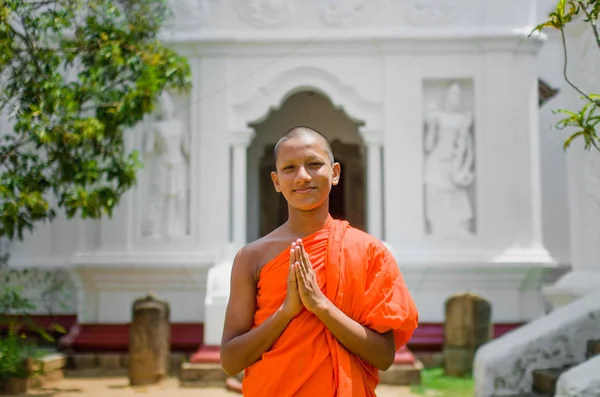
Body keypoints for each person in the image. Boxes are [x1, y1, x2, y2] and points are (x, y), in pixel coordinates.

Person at [220, 126, 419, 396]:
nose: (302, 177)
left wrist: (321, 306)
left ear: (335, 173)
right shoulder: (251, 258)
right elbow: (231, 360)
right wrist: (286, 313)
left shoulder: (369, 251)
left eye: (314, 164)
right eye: (289, 168)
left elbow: (384, 356)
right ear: (276, 181)